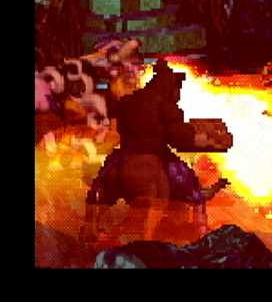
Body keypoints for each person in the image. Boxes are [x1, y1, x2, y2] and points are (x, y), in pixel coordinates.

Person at [81, 59, 229, 242]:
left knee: (102, 180)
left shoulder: (128, 101)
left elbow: (120, 127)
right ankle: (200, 229)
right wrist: (199, 139)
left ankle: (90, 224)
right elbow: (177, 138)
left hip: (125, 153)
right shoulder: (166, 106)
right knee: (188, 181)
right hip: (154, 153)